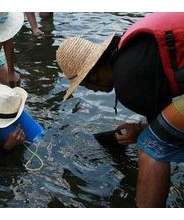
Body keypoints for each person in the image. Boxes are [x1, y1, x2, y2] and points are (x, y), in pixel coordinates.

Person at [56, 12, 184, 207]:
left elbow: (161, 134)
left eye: (86, 85)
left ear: (93, 77)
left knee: (150, 145)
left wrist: (142, 135)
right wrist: (140, 128)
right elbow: (166, 120)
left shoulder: (127, 85)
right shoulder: (127, 48)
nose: (96, 91)